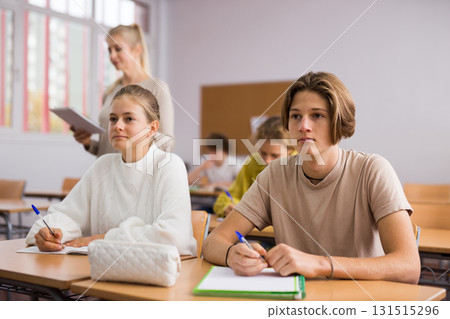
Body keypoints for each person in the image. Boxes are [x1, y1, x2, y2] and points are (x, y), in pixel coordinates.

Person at [203, 71, 420, 284]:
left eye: (317, 115)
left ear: (339, 121)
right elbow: (213, 242)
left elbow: (408, 266)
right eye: (296, 116)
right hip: (296, 301)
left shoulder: (373, 170)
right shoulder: (275, 174)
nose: (303, 126)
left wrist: (318, 264)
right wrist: (232, 254)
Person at [26, 85, 196, 256]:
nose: (117, 126)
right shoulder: (102, 166)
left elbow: (175, 237)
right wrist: (49, 233)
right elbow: (68, 214)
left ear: (152, 128)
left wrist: (106, 237)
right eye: (113, 119)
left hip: (161, 276)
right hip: (100, 269)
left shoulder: (170, 165)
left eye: (128, 119)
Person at [72, 23, 174, 156]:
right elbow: (107, 146)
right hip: (106, 171)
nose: (112, 56)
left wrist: (133, 139)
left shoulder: (157, 88)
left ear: (137, 50)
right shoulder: (110, 92)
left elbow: (167, 143)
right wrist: (88, 142)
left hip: (135, 173)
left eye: (118, 49)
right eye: (109, 50)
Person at [213, 116, 296, 217]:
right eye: (263, 153)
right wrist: (227, 206)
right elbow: (228, 196)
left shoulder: (302, 166)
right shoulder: (254, 161)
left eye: (275, 155)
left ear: (290, 150)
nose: (267, 160)